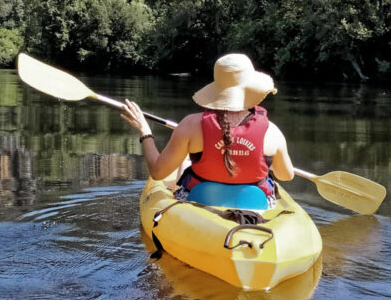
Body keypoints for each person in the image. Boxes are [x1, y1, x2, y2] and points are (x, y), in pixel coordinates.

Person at [119, 53, 294, 210]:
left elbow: (158, 172)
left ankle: (187, 159)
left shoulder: (190, 125)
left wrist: (145, 132)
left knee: (187, 162)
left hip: (200, 202)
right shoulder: (273, 132)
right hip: (257, 206)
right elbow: (285, 176)